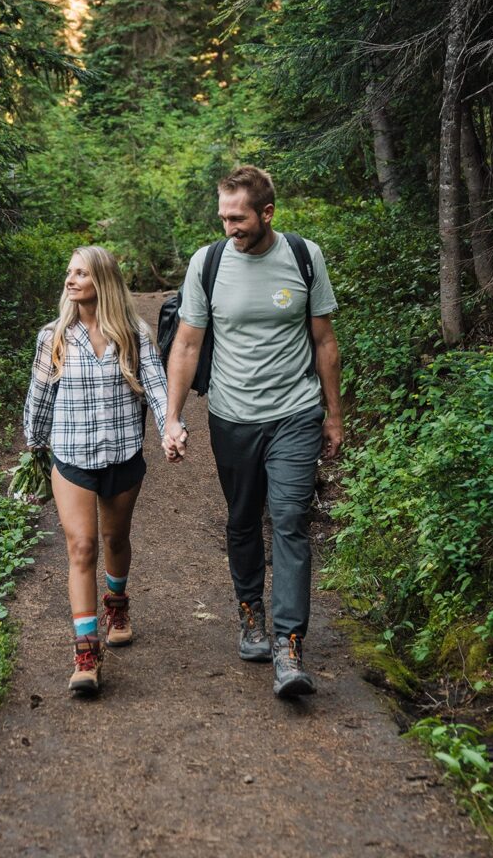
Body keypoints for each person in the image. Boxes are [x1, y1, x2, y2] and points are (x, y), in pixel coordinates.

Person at [163, 166, 343, 699]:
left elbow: (325, 343)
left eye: (237, 219)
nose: (229, 229)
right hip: (232, 416)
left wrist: (333, 414)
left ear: (267, 213)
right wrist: (173, 417)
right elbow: (188, 345)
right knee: (243, 519)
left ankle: (289, 645)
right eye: (223, 218)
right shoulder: (209, 263)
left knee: (289, 519)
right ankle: (250, 611)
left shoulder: (304, 257)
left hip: (295, 413)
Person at [24, 246, 168, 695]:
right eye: (69, 272)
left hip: (123, 454)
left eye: (80, 273)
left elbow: (158, 389)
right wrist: (34, 444)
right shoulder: (55, 336)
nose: (70, 280)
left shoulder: (133, 333)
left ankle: (117, 604)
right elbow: (40, 395)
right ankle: (86, 653)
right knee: (82, 547)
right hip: (71, 458)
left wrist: (170, 430)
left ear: (101, 280)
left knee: (115, 539)